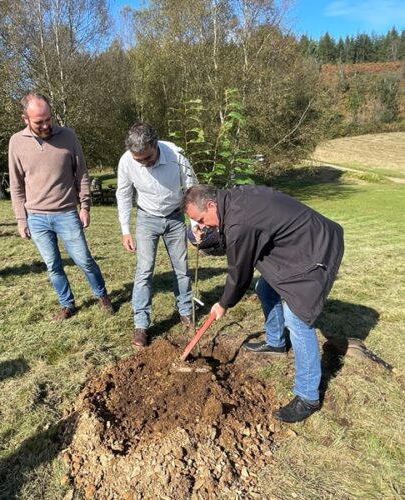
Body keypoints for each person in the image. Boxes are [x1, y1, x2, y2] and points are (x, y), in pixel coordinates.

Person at [182, 184, 344, 423]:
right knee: (264, 288)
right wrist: (204, 236)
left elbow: (239, 274)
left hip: (315, 250)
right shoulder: (231, 200)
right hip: (293, 247)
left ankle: (308, 396)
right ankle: (276, 342)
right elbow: (231, 234)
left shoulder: (240, 219)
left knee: (297, 320)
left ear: (211, 205)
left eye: (202, 220)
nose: (203, 226)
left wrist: (223, 303)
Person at [8, 93, 113, 320]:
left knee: (84, 259)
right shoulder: (16, 142)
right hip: (36, 217)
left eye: (49, 119)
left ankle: (102, 295)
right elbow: (16, 184)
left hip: (66, 213)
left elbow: (82, 173)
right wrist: (21, 219)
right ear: (25, 119)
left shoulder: (69, 136)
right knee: (53, 265)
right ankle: (67, 304)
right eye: (39, 122)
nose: (46, 125)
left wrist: (85, 206)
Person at [116, 123, 197, 347]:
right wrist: (125, 229)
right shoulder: (126, 162)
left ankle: (185, 311)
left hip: (175, 216)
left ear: (156, 144)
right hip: (146, 218)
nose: (143, 163)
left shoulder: (176, 155)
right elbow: (123, 194)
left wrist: (195, 223)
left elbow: (191, 189)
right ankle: (141, 324)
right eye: (138, 159)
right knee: (144, 270)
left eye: (147, 158)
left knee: (181, 268)